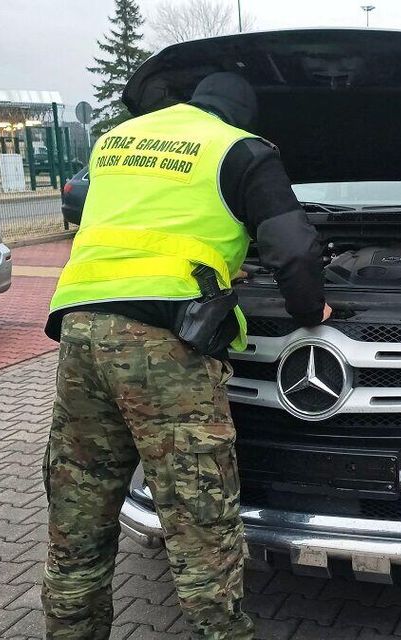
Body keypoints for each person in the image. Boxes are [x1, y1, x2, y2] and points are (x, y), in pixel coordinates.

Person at [40, 72, 328, 639]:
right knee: (199, 517)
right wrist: (308, 311)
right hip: (162, 347)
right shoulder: (240, 148)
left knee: (79, 509)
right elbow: (294, 251)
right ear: (241, 115)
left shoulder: (118, 141)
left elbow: (149, 224)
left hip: (79, 328)